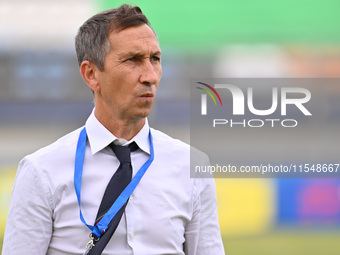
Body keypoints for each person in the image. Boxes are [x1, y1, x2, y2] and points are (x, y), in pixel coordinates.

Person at [2, 4, 224, 255]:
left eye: (155, 59)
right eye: (133, 60)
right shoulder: (41, 171)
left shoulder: (191, 165)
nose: (150, 75)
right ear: (91, 74)